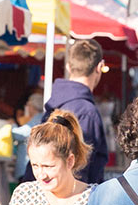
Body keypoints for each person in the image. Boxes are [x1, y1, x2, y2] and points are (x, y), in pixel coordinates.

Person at [45, 40, 109, 183]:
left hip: (47, 194)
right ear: (100, 67)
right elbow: (79, 169)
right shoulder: (86, 112)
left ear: (68, 66)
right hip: (71, 198)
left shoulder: (54, 104)